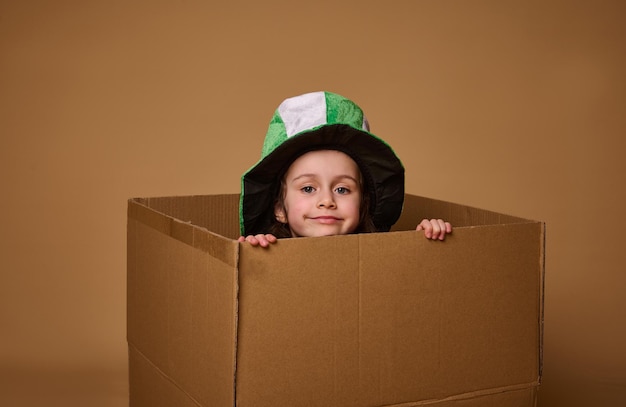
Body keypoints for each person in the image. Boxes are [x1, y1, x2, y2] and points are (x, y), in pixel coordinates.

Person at [238, 91, 452, 247]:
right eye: (308, 189)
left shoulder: (380, 253)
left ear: (362, 203)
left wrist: (427, 239)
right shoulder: (268, 248)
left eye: (342, 189)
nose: (327, 201)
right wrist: (255, 249)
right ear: (279, 209)